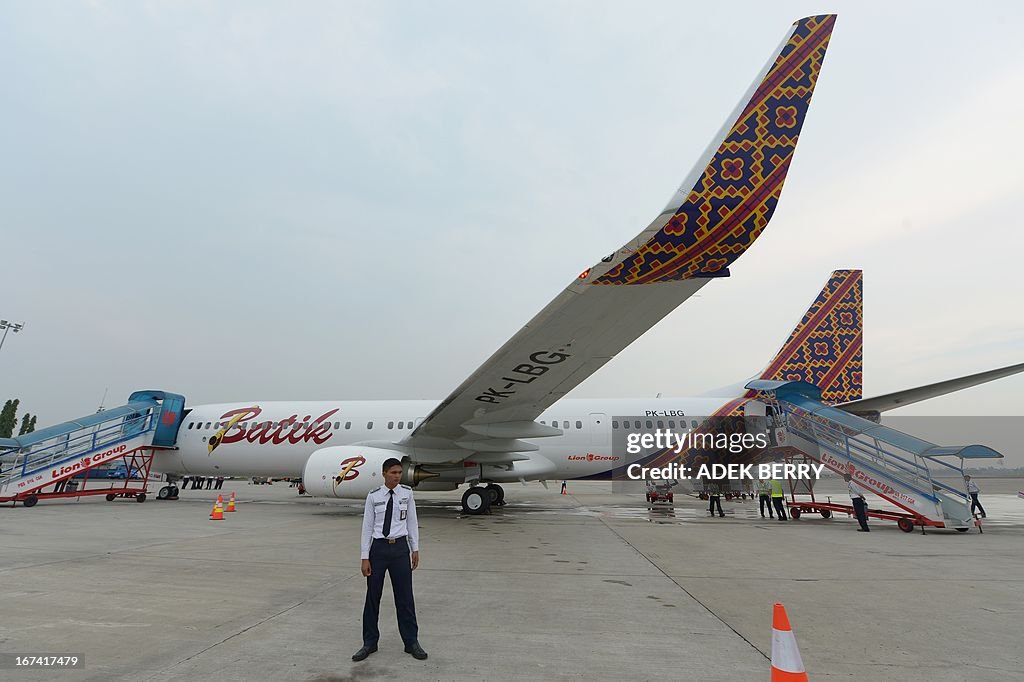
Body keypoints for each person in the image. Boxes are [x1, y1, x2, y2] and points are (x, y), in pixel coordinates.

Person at [353, 458, 427, 662]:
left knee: (405, 598)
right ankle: (369, 642)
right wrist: (364, 557)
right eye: (393, 472)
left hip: (400, 549)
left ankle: (411, 641)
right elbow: (367, 528)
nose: (397, 476)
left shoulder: (407, 493)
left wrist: (415, 548)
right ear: (384, 473)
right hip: (379, 549)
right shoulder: (373, 496)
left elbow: (412, 522)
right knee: (372, 598)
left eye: (399, 473)